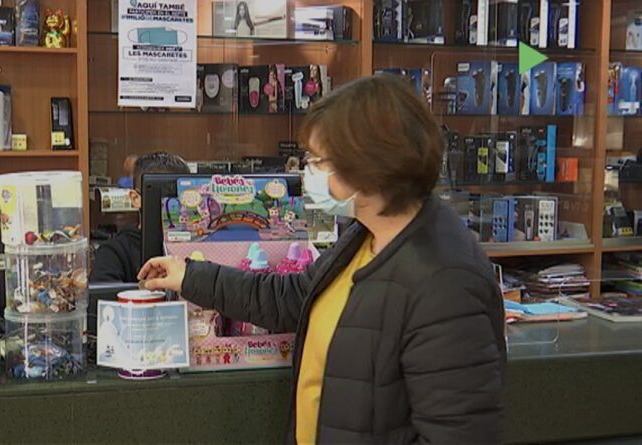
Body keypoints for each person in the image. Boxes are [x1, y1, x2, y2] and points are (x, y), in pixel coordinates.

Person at [138, 74, 506, 444]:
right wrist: (189, 276)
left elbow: (457, 433)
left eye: (318, 160)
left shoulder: (445, 281)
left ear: (368, 163)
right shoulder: (365, 236)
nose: (307, 171)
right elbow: (290, 298)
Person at [91, 152, 190, 283]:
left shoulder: (197, 244)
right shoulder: (113, 252)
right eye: (163, 196)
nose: (174, 207)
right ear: (135, 198)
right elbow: (104, 293)